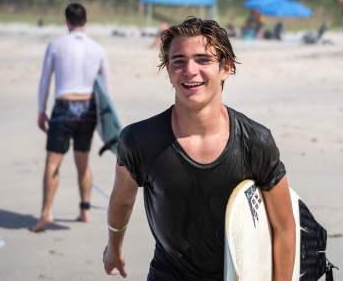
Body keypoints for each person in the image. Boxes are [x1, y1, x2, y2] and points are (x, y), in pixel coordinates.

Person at [102, 17, 295, 280]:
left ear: (226, 68)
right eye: (178, 61)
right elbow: (122, 200)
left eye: (203, 60)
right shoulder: (139, 140)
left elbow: (283, 227)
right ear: (168, 70)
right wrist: (114, 248)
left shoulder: (255, 141)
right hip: (167, 274)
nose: (189, 70)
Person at [32, 3, 111, 232]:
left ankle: (47, 212)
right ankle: (84, 211)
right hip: (88, 108)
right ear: (85, 20)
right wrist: (104, 119)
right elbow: (105, 89)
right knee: (83, 161)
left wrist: (41, 110)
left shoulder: (56, 45)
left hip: (64, 108)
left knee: (53, 163)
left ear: (67, 21)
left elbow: (45, 80)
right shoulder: (97, 49)